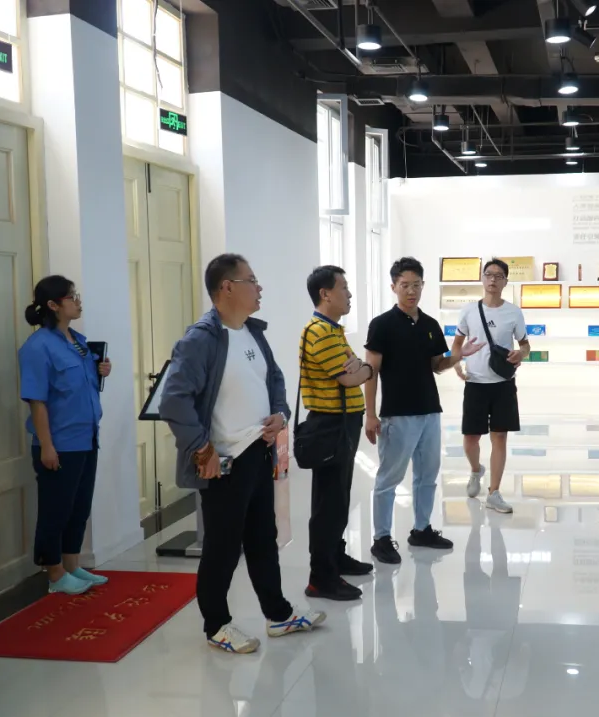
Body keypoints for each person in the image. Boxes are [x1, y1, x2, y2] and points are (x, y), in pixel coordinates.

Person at [161, 253, 323, 654]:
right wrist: (201, 449)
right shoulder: (201, 340)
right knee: (222, 548)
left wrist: (280, 413)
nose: (259, 287)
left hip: (258, 453)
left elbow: (274, 379)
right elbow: (174, 401)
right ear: (227, 287)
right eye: (251, 280)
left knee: (262, 539)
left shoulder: (252, 332)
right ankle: (216, 625)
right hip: (224, 462)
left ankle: (278, 614)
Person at [363, 257, 484, 564]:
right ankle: (381, 538)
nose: (411, 291)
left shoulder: (430, 325)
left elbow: (437, 365)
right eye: (405, 285)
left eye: (416, 285)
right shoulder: (382, 325)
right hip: (397, 414)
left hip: (430, 411)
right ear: (393, 286)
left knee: (427, 475)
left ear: (423, 286)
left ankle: (421, 529)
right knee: (389, 478)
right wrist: (370, 414)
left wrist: (459, 355)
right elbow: (370, 372)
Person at [19, 276, 112, 595]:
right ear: (53, 305)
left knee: (78, 507)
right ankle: (55, 573)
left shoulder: (78, 341)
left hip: (87, 437)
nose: (78, 301)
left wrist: (101, 370)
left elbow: (81, 387)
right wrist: (46, 445)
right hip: (59, 442)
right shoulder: (37, 347)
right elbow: (37, 401)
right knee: (56, 509)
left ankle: (72, 564)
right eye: (71, 297)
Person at [301, 266, 375, 601]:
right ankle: (321, 577)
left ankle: (336, 556)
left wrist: (360, 367)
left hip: (343, 422)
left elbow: (356, 366)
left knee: (340, 497)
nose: (349, 294)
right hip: (329, 424)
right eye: (343, 288)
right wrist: (366, 369)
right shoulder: (319, 332)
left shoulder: (334, 330)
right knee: (328, 504)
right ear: (325, 294)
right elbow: (351, 376)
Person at [453, 259, 530, 513]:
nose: (493, 279)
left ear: (506, 281)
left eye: (498, 276)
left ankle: (494, 492)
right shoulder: (469, 311)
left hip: (503, 384)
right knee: (470, 438)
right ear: (482, 279)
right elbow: (457, 343)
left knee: (500, 437)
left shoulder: (514, 312)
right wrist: (456, 364)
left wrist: (521, 354)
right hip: (475, 383)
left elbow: (525, 345)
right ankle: (476, 470)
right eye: (488, 274)